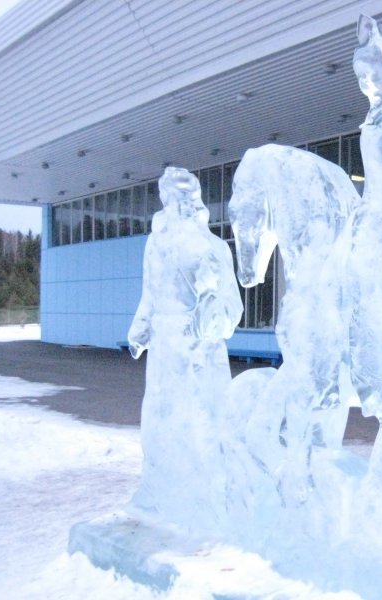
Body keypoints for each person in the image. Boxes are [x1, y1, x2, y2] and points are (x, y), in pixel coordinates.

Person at [127, 167, 242, 530]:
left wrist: (211, 316)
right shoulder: (156, 244)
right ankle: (159, 488)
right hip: (164, 348)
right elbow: (150, 292)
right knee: (158, 418)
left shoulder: (213, 247)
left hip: (199, 352)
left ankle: (204, 496)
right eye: (171, 198)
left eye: (183, 198)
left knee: (201, 420)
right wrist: (141, 326)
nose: (176, 205)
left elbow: (232, 308)